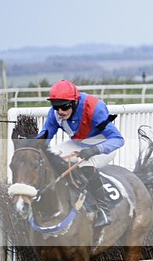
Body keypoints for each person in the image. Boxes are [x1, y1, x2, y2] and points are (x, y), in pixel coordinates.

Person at [37, 79, 124, 227]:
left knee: (86, 165)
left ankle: (104, 210)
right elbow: (45, 137)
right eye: (56, 106)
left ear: (75, 102)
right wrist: (33, 147)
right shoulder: (55, 114)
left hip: (102, 145)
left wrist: (94, 150)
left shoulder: (95, 109)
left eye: (64, 107)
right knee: (51, 157)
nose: (60, 111)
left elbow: (118, 140)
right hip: (78, 144)